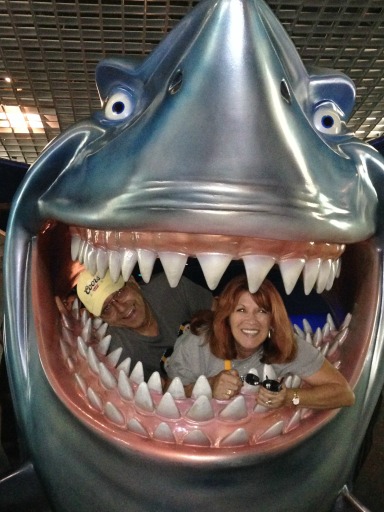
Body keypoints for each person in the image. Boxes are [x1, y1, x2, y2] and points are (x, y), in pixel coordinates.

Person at [165, 275, 355, 409]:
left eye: (262, 311)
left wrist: (289, 397)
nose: (252, 321)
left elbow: (344, 394)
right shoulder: (196, 343)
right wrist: (207, 387)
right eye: (241, 310)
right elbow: (166, 391)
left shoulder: (286, 344)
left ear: (272, 320)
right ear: (226, 316)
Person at [74, 269, 214, 380]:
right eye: (107, 309)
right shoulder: (116, 352)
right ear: (103, 318)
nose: (121, 308)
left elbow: (221, 316)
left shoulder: (172, 288)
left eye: (119, 292)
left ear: (132, 281)